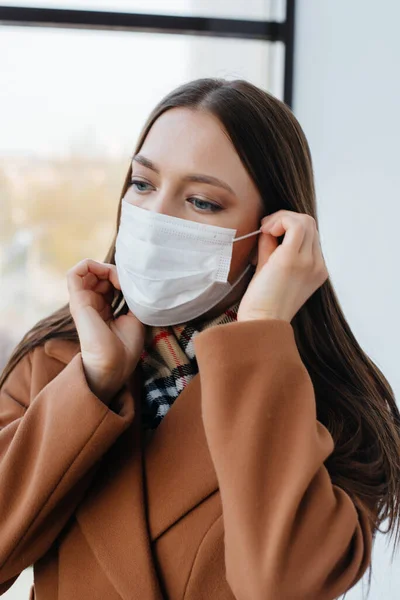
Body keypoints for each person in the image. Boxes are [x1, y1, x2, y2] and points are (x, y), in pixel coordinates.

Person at [0, 78, 399, 600]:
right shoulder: (56, 361)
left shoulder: (336, 408)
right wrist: (94, 384)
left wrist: (260, 334)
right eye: (142, 184)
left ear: (271, 233)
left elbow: (279, 586)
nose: (156, 216)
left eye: (202, 202)